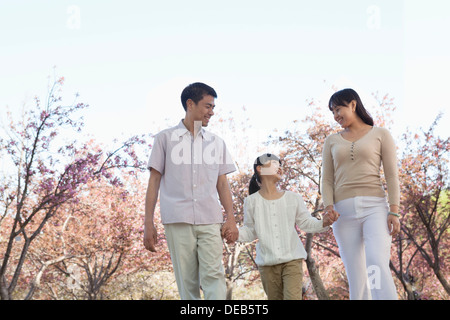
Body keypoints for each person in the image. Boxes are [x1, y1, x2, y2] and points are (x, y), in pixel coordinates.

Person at [143, 82, 239, 300]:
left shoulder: (217, 143)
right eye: (207, 106)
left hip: (210, 219)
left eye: (213, 107)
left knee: (214, 275)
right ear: (190, 104)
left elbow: (222, 184)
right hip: (178, 219)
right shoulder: (165, 139)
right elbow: (154, 181)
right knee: (187, 282)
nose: (211, 112)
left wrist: (230, 218)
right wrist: (148, 222)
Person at [321, 88, 400, 300]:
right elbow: (327, 179)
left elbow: (392, 176)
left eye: (338, 109)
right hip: (342, 212)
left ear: (353, 105)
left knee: (375, 263)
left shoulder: (380, 134)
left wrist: (394, 211)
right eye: (332, 112)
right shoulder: (331, 141)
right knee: (356, 274)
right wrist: (328, 208)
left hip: (375, 207)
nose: (336, 116)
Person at [226, 153, 339, 300]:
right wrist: (235, 234)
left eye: (280, 165)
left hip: (292, 260)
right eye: (273, 164)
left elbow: (305, 223)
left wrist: (323, 223)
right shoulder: (251, 201)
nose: (279, 168)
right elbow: (250, 231)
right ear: (259, 169)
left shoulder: (294, 198)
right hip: (267, 265)